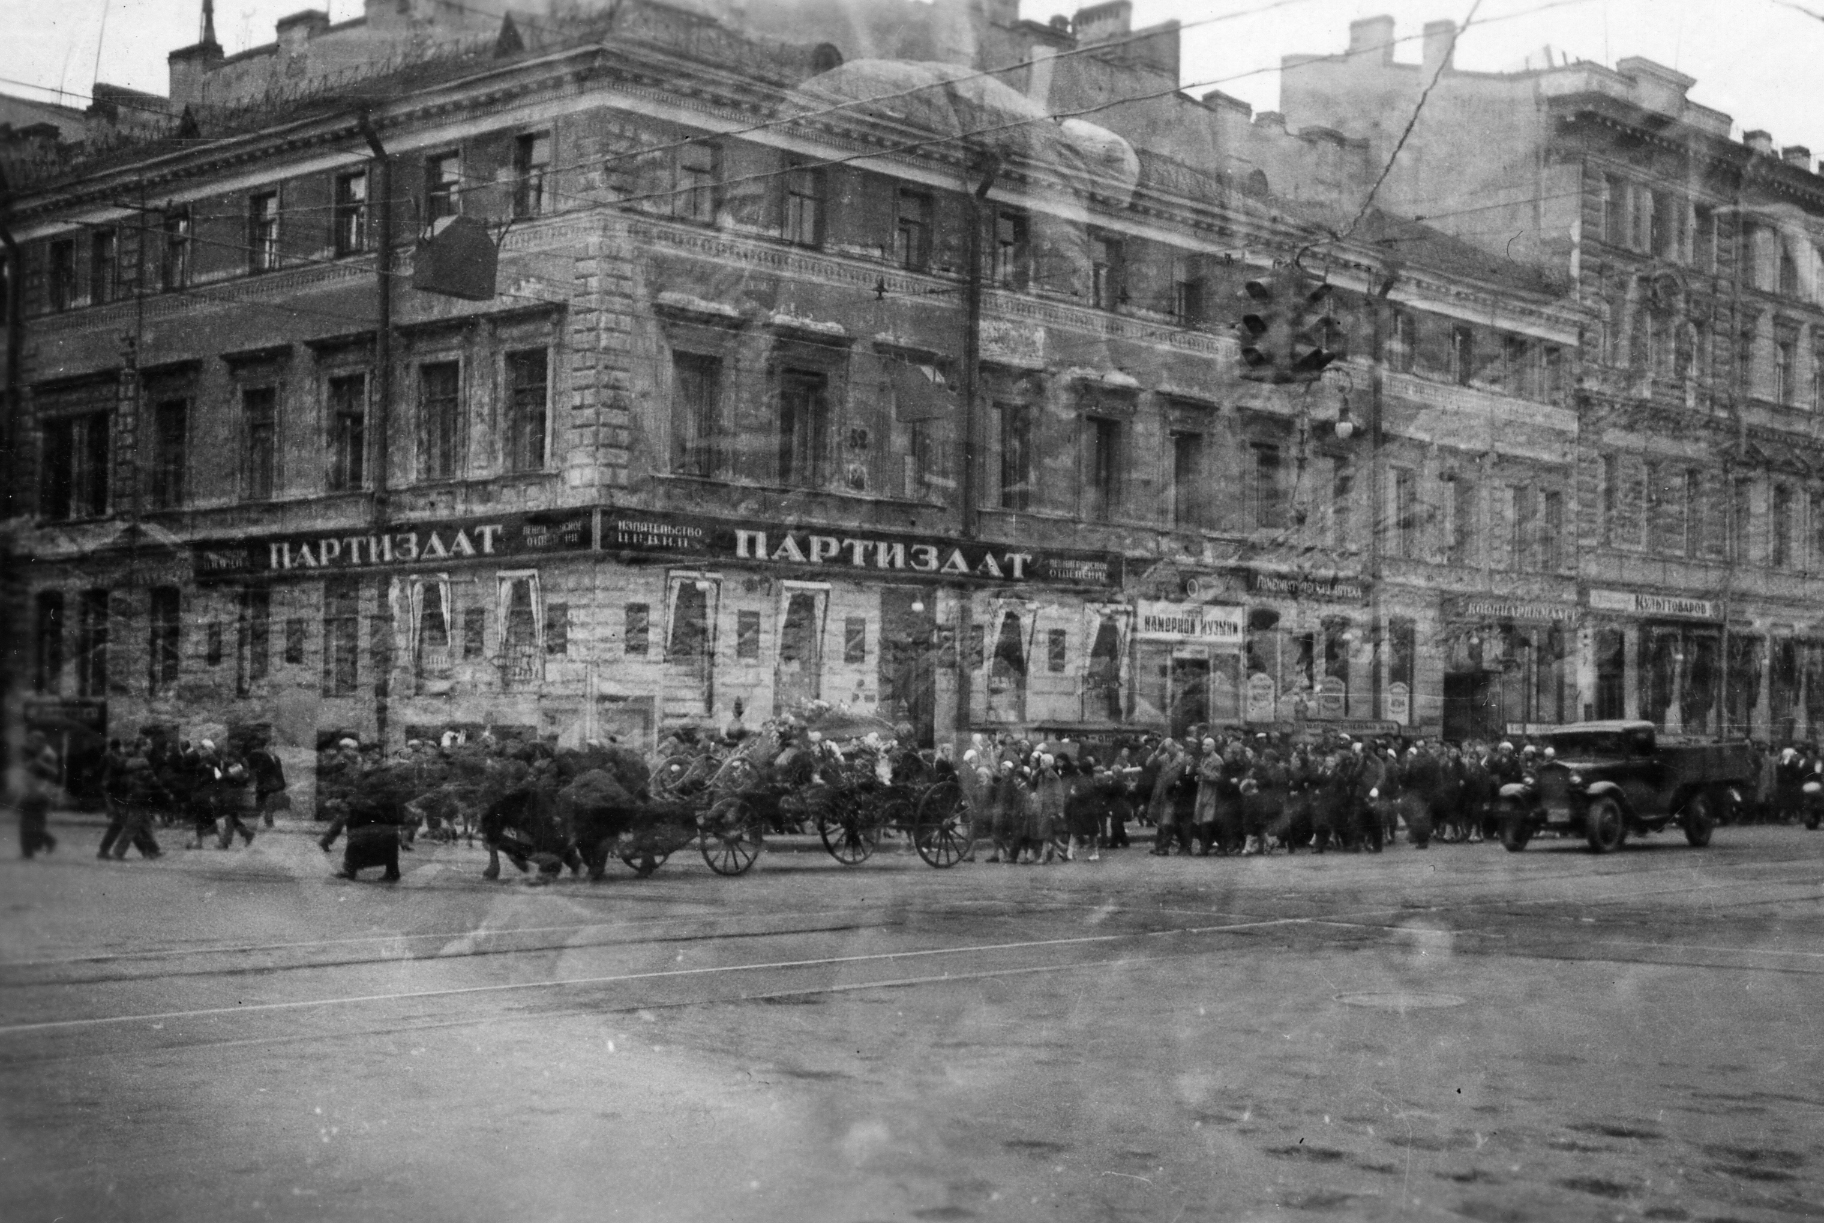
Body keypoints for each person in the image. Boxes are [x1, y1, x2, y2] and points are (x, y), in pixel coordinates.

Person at [18, 732, 60, 859]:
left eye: (34, 741)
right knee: (26, 822)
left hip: (42, 792)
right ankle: (28, 852)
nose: (32, 743)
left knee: (35, 823)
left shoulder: (48, 754)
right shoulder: (32, 752)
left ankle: (47, 842)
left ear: (41, 741)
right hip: (30, 790)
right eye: (31, 741)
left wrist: (39, 763)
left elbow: (54, 772)